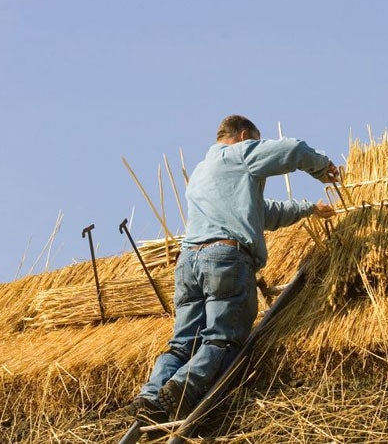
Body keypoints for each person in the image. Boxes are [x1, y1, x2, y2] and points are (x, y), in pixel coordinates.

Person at [127, 114, 338, 423]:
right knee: (222, 337)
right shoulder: (239, 154)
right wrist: (323, 168)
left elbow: (261, 212)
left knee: (182, 342)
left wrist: (307, 208)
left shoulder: (203, 170)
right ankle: (185, 385)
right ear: (242, 136)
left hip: (188, 264)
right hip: (224, 258)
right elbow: (292, 150)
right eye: (253, 142)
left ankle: (150, 396)